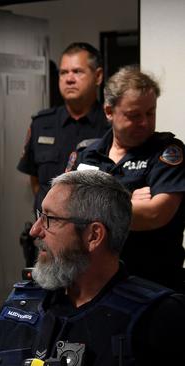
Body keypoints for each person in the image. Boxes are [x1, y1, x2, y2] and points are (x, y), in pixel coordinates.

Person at [0, 170, 185, 366]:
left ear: (93, 235)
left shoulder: (157, 317)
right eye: (39, 216)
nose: (35, 230)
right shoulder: (21, 303)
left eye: (50, 219)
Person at [71, 66, 185, 291]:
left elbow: (155, 214)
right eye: (134, 115)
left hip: (153, 285)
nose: (144, 122)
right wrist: (128, 199)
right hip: (94, 285)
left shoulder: (167, 152)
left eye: (150, 113)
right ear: (109, 111)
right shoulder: (87, 153)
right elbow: (65, 211)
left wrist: (89, 207)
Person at [18, 42, 109, 213]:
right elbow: (35, 180)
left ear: (98, 76)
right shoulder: (42, 123)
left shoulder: (111, 126)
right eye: (63, 72)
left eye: (77, 71)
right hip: (48, 229)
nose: (69, 79)